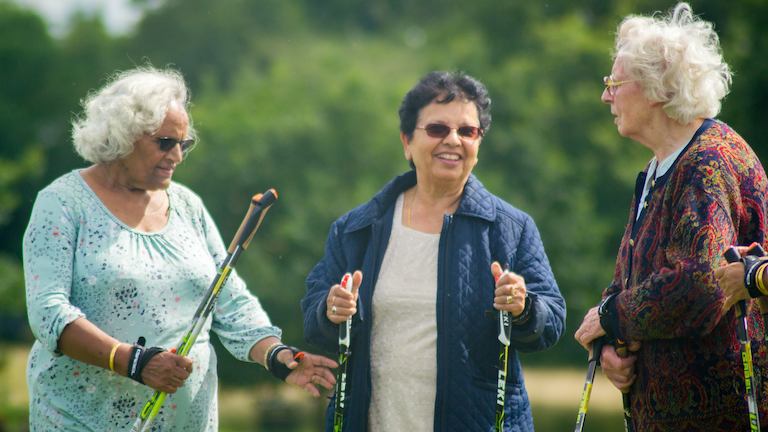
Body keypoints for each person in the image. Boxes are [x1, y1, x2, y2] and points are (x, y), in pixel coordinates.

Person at [22, 66, 337, 431]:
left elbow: (229, 300)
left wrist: (277, 355)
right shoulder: (61, 203)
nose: (177, 156)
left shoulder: (187, 206)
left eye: (183, 144)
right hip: (79, 419)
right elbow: (48, 314)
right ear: (124, 134)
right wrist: (134, 361)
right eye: (165, 142)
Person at [301, 70, 566, 432]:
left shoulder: (511, 228)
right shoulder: (356, 228)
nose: (453, 140)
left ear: (479, 142)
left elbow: (551, 324)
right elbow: (314, 320)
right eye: (438, 129)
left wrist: (523, 307)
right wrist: (330, 310)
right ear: (407, 141)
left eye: (467, 131)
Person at [573, 3, 768, 431]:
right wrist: (611, 346)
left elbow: (699, 287)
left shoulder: (708, 164)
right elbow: (632, 282)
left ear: (657, 88)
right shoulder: (659, 167)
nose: (606, 95)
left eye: (614, 83)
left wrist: (609, 317)